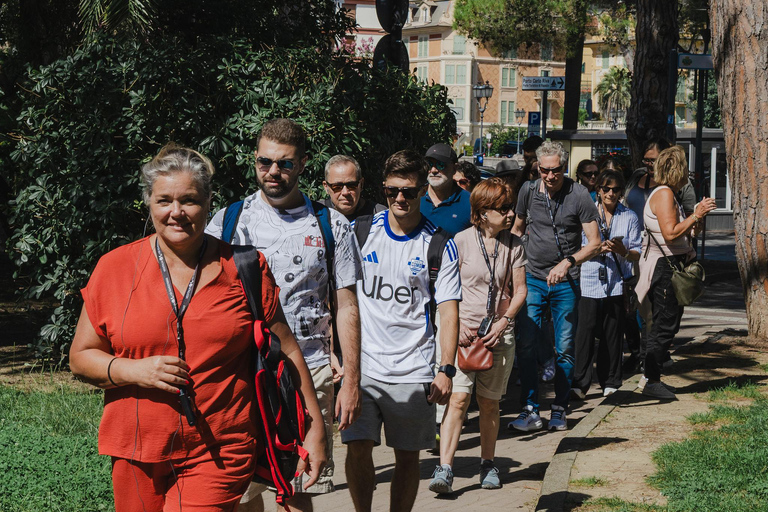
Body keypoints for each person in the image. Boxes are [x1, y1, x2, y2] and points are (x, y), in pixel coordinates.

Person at [68, 144, 327, 512]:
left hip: (220, 448)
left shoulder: (244, 268)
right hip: (136, 448)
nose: (176, 213)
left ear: (208, 204)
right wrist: (134, 370)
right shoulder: (114, 268)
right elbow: (80, 358)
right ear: (149, 203)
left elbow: (286, 350)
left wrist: (314, 430)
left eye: (189, 200)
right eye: (164, 201)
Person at [206, 119, 363, 512]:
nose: (273, 171)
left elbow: (346, 305)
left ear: (303, 165)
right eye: (264, 162)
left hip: (309, 370)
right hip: (242, 372)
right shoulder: (228, 221)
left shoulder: (331, 226)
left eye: (285, 164)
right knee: (242, 492)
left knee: (296, 491)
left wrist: (352, 380)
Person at [342, 150, 461, 512]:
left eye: (409, 191)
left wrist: (446, 368)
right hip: (362, 369)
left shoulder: (439, 245)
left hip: (413, 370)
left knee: (407, 458)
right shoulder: (360, 232)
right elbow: (341, 299)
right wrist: (340, 359)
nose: (400, 199)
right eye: (393, 190)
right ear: (383, 189)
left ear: (423, 190)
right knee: (358, 448)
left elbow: (448, 310)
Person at [429, 178, 527, 494]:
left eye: (510, 208)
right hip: (459, 336)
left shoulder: (514, 245)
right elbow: (442, 294)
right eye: (502, 209)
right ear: (483, 212)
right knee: (457, 400)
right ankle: (444, 468)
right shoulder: (458, 242)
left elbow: (520, 290)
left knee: (489, 404)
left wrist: (503, 323)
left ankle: (488, 464)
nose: (510, 214)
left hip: (497, 338)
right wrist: (453, 329)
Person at [509, 141, 601, 431]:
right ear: (537, 168)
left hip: (567, 282)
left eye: (556, 170)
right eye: (544, 170)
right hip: (533, 278)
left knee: (564, 348)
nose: (550, 177)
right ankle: (529, 409)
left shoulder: (579, 194)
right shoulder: (527, 191)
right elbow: (517, 228)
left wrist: (568, 262)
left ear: (564, 167)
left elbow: (595, 243)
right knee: (526, 344)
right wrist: (511, 265)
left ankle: (560, 408)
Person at [635, 146, 717, 399]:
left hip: (671, 265)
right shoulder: (664, 195)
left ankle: (650, 376)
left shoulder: (670, 194)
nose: (689, 175)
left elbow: (682, 232)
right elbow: (670, 233)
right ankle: (651, 379)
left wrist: (696, 221)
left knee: (668, 323)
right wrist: (696, 214)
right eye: (686, 169)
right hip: (665, 267)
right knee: (664, 325)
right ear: (678, 170)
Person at [571, 170, 641, 399]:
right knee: (585, 333)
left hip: (616, 282)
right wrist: (596, 249)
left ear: (621, 192)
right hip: (590, 280)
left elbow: (637, 253)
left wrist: (623, 251)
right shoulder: (588, 213)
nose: (610, 194)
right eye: (606, 189)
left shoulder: (629, 216)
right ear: (598, 190)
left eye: (616, 190)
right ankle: (580, 383)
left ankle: (610, 380)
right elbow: (578, 248)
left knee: (613, 334)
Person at [625, 138, 696, 229]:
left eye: (653, 160)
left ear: (665, 159)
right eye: (646, 160)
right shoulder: (637, 175)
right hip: (632, 239)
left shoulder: (678, 182)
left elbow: (689, 213)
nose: (649, 164)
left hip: (660, 240)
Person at [420, 143, 472, 237]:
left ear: (454, 168)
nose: (434, 170)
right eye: (429, 164)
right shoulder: (415, 197)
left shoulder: (470, 203)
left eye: (440, 165)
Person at [322, 154, 386, 222]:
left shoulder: (380, 217)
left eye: (351, 185)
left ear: (361, 184)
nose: (345, 192)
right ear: (326, 187)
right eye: (337, 187)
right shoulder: (314, 215)